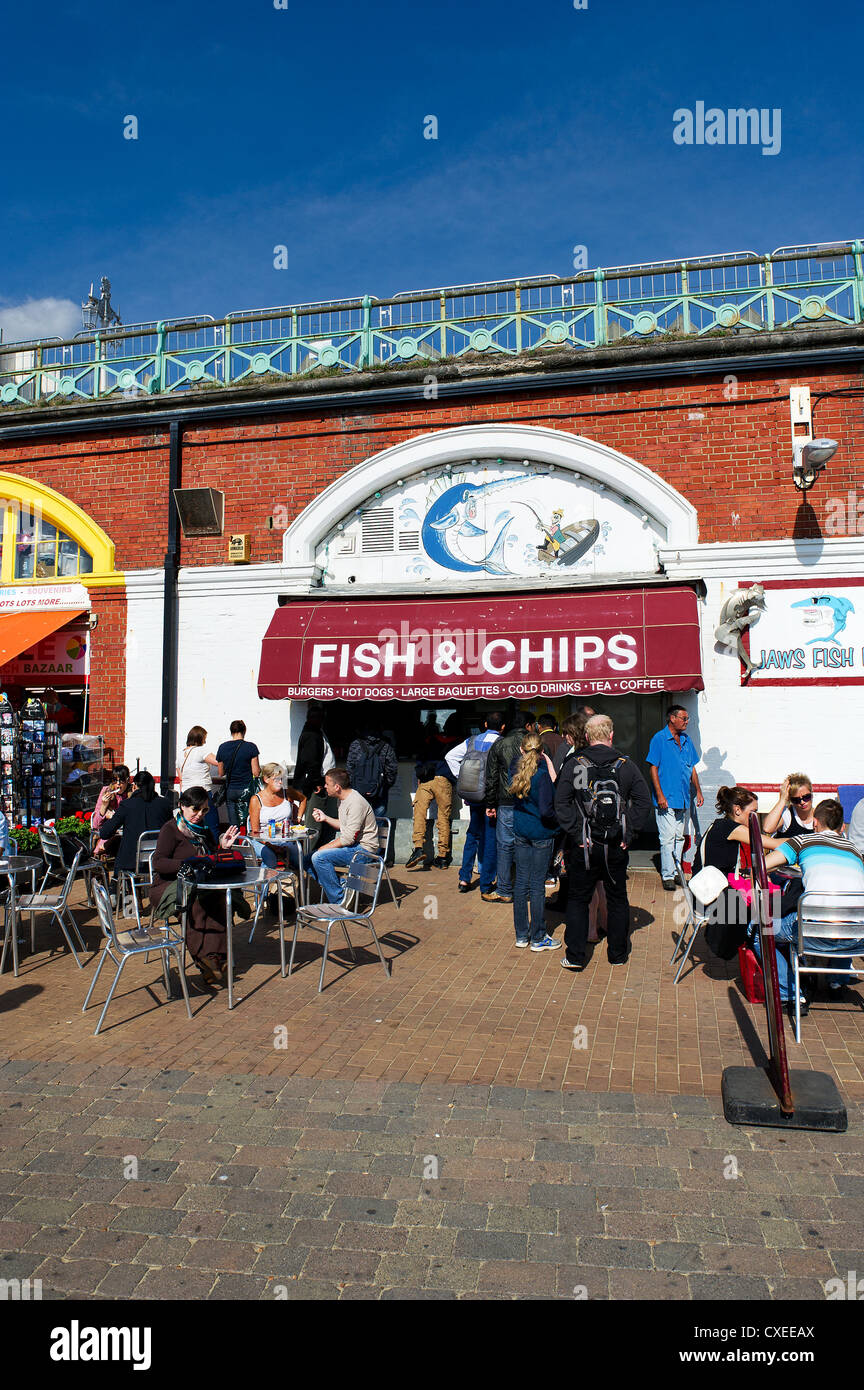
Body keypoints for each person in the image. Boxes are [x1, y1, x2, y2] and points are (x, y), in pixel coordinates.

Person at [555, 714, 652, 971]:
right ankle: (617, 954)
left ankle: (575, 956)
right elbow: (643, 802)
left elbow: (562, 802)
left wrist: (576, 833)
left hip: (584, 846)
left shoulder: (577, 765)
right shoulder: (626, 766)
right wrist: (628, 832)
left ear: (586, 737)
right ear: (611, 735)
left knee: (578, 899)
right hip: (615, 845)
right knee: (617, 898)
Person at [760, 799, 864, 1019]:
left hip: (811, 934)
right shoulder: (855, 851)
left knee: (760, 929)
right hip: (856, 938)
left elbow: (763, 864)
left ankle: (791, 994)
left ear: (815, 823)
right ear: (842, 828)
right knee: (845, 911)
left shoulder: (803, 841)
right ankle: (837, 982)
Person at [149, 786, 242, 988]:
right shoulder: (170, 829)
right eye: (195, 810)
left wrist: (223, 848)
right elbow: (158, 862)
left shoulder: (205, 831)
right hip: (169, 885)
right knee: (196, 903)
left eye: (204, 811)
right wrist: (186, 864)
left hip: (199, 884)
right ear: (182, 806)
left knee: (218, 899)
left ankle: (215, 958)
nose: (200, 815)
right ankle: (206, 959)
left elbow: (210, 858)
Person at [510, 731, 561, 951]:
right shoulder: (541, 776)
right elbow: (547, 810)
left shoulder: (516, 771)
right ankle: (538, 937)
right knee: (537, 885)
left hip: (522, 831)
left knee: (521, 882)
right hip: (541, 833)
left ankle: (522, 935)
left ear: (521, 750)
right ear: (542, 752)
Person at [445, 710, 504, 894]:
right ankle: (486, 883)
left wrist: (461, 777)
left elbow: (450, 756)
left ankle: (464, 878)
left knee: (473, 835)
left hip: (473, 796)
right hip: (490, 797)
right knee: (490, 838)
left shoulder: (470, 741)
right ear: (503, 727)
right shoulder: (500, 743)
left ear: (485, 725)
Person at [646, 705, 704, 890]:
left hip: (683, 797)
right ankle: (668, 875)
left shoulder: (686, 740)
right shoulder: (660, 739)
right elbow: (653, 767)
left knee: (679, 837)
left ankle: (677, 871)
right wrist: (660, 794)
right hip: (667, 798)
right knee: (668, 837)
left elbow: (692, 767)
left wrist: (699, 790)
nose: (687, 722)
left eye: (687, 719)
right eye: (684, 718)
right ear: (672, 718)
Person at [482, 710, 531, 903]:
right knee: (526, 845)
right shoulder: (534, 745)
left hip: (506, 802)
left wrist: (490, 803)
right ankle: (526, 889)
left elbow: (491, 777)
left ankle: (504, 890)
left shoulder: (500, 744)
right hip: (528, 803)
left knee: (504, 846)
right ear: (527, 726)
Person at [310, 768, 379, 904]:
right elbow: (344, 825)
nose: (324, 786)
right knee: (305, 860)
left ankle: (340, 901)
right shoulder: (341, 799)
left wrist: (323, 848)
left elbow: (348, 838)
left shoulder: (355, 802)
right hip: (354, 845)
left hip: (365, 849)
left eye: (327, 784)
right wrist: (325, 818)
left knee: (319, 857)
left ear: (337, 787)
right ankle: (341, 884)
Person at [96, 770, 173, 886]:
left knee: (120, 848)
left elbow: (105, 833)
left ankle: (114, 887)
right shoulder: (165, 804)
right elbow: (171, 830)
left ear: (135, 786)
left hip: (131, 862)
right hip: (159, 859)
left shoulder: (127, 805)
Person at [692, 785, 784, 877]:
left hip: (716, 883)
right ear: (738, 810)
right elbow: (774, 844)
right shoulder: (731, 827)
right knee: (774, 890)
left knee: (768, 883)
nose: (755, 815)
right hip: (710, 888)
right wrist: (798, 840)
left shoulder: (723, 825)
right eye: (753, 811)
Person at [246, 761, 307, 884]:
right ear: (266, 779)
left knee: (299, 858)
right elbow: (255, 832)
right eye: (277, 779)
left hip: (284, 838)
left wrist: (298, 819)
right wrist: (272, 846)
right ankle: (262, 897)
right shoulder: (256, 800)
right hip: (262, 839)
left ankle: (299, 894)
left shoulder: (286, 792)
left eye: (282, 779)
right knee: (270, 858)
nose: (281, 782)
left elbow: (303, 799)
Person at [406, 724, 457, 871]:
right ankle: (442, 857)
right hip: (444, 780)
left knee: (419, 813)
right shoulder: (458, 742)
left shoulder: (429, 740)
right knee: (443, 819)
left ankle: (418, 848)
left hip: (427, 780)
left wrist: (419, 773)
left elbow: (420, 758)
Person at [216, 721, 260, 828]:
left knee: (233, 825)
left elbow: (221, 773)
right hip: (246, 791)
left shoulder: (222, 747)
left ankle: (234, 843)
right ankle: (249, 843)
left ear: (231, 731)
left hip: (231, 790)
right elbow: (256, 772)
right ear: (244, 731)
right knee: (250, 822)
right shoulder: (251, 747)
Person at [346, 725, 398, 817]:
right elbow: (392, 769)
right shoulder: (386, 746)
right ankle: (377, 831)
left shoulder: (355, 744)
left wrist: (353, 785)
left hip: (358, 789)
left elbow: (350, 768)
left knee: (358, 818)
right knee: (378, 818)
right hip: (380, 790)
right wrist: (385, 785)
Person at [177, 726, 220, 836]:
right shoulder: (200, 751)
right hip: (202, 792)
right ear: (200, 738)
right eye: (204, 738)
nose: (205, 741)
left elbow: (181, 778)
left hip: (186, 793)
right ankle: (214, 849)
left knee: (190, 824)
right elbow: (218, 761)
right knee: (212, 823)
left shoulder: (180, 755)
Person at [92, 766, 132, 857]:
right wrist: (104, 805)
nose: (118, 784)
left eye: (121, 781)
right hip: (109, 835)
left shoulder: (131, 794)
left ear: (127, 780)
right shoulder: (106, 791)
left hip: (126, 835)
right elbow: (96, 825)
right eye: (115, 780)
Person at [762, 774, 816, 839]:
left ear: (812, 794)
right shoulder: (787, 814)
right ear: (790, 800)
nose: (802, 802)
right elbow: (767, 828)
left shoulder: (820, 815)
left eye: (806, 797)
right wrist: (782, 799)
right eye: (796, 800)